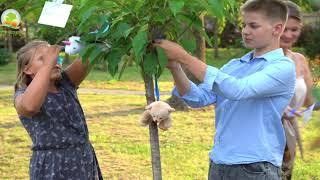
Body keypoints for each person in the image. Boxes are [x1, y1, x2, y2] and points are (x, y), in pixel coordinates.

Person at [155, 0, 295, 179]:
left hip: (255, 167)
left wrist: (184, 56)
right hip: (220, 163)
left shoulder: (282, 67)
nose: (245, 31)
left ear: (277, 29)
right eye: (244, 25)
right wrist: (175, 66)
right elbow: (199, 98)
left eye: (253, 26)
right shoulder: (234, 66)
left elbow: (238, 90)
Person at [14, 40, 103, 179]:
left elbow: (93, 51)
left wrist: (88, 40)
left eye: (54, 57)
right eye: (43, 59)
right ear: (27, 69)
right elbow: (29, 107)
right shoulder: (22, 95)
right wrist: (49, 63)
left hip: (84, 161)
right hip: (53, 168)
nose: (54, 61)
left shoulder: (66, 83)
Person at [280, 1, 317, 179]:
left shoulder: (300, 60)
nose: (288, 35)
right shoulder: (257, 59)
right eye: (284, 29)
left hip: (289, 137)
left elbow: (310, 100)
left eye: (294, 29)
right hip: (262, 137)